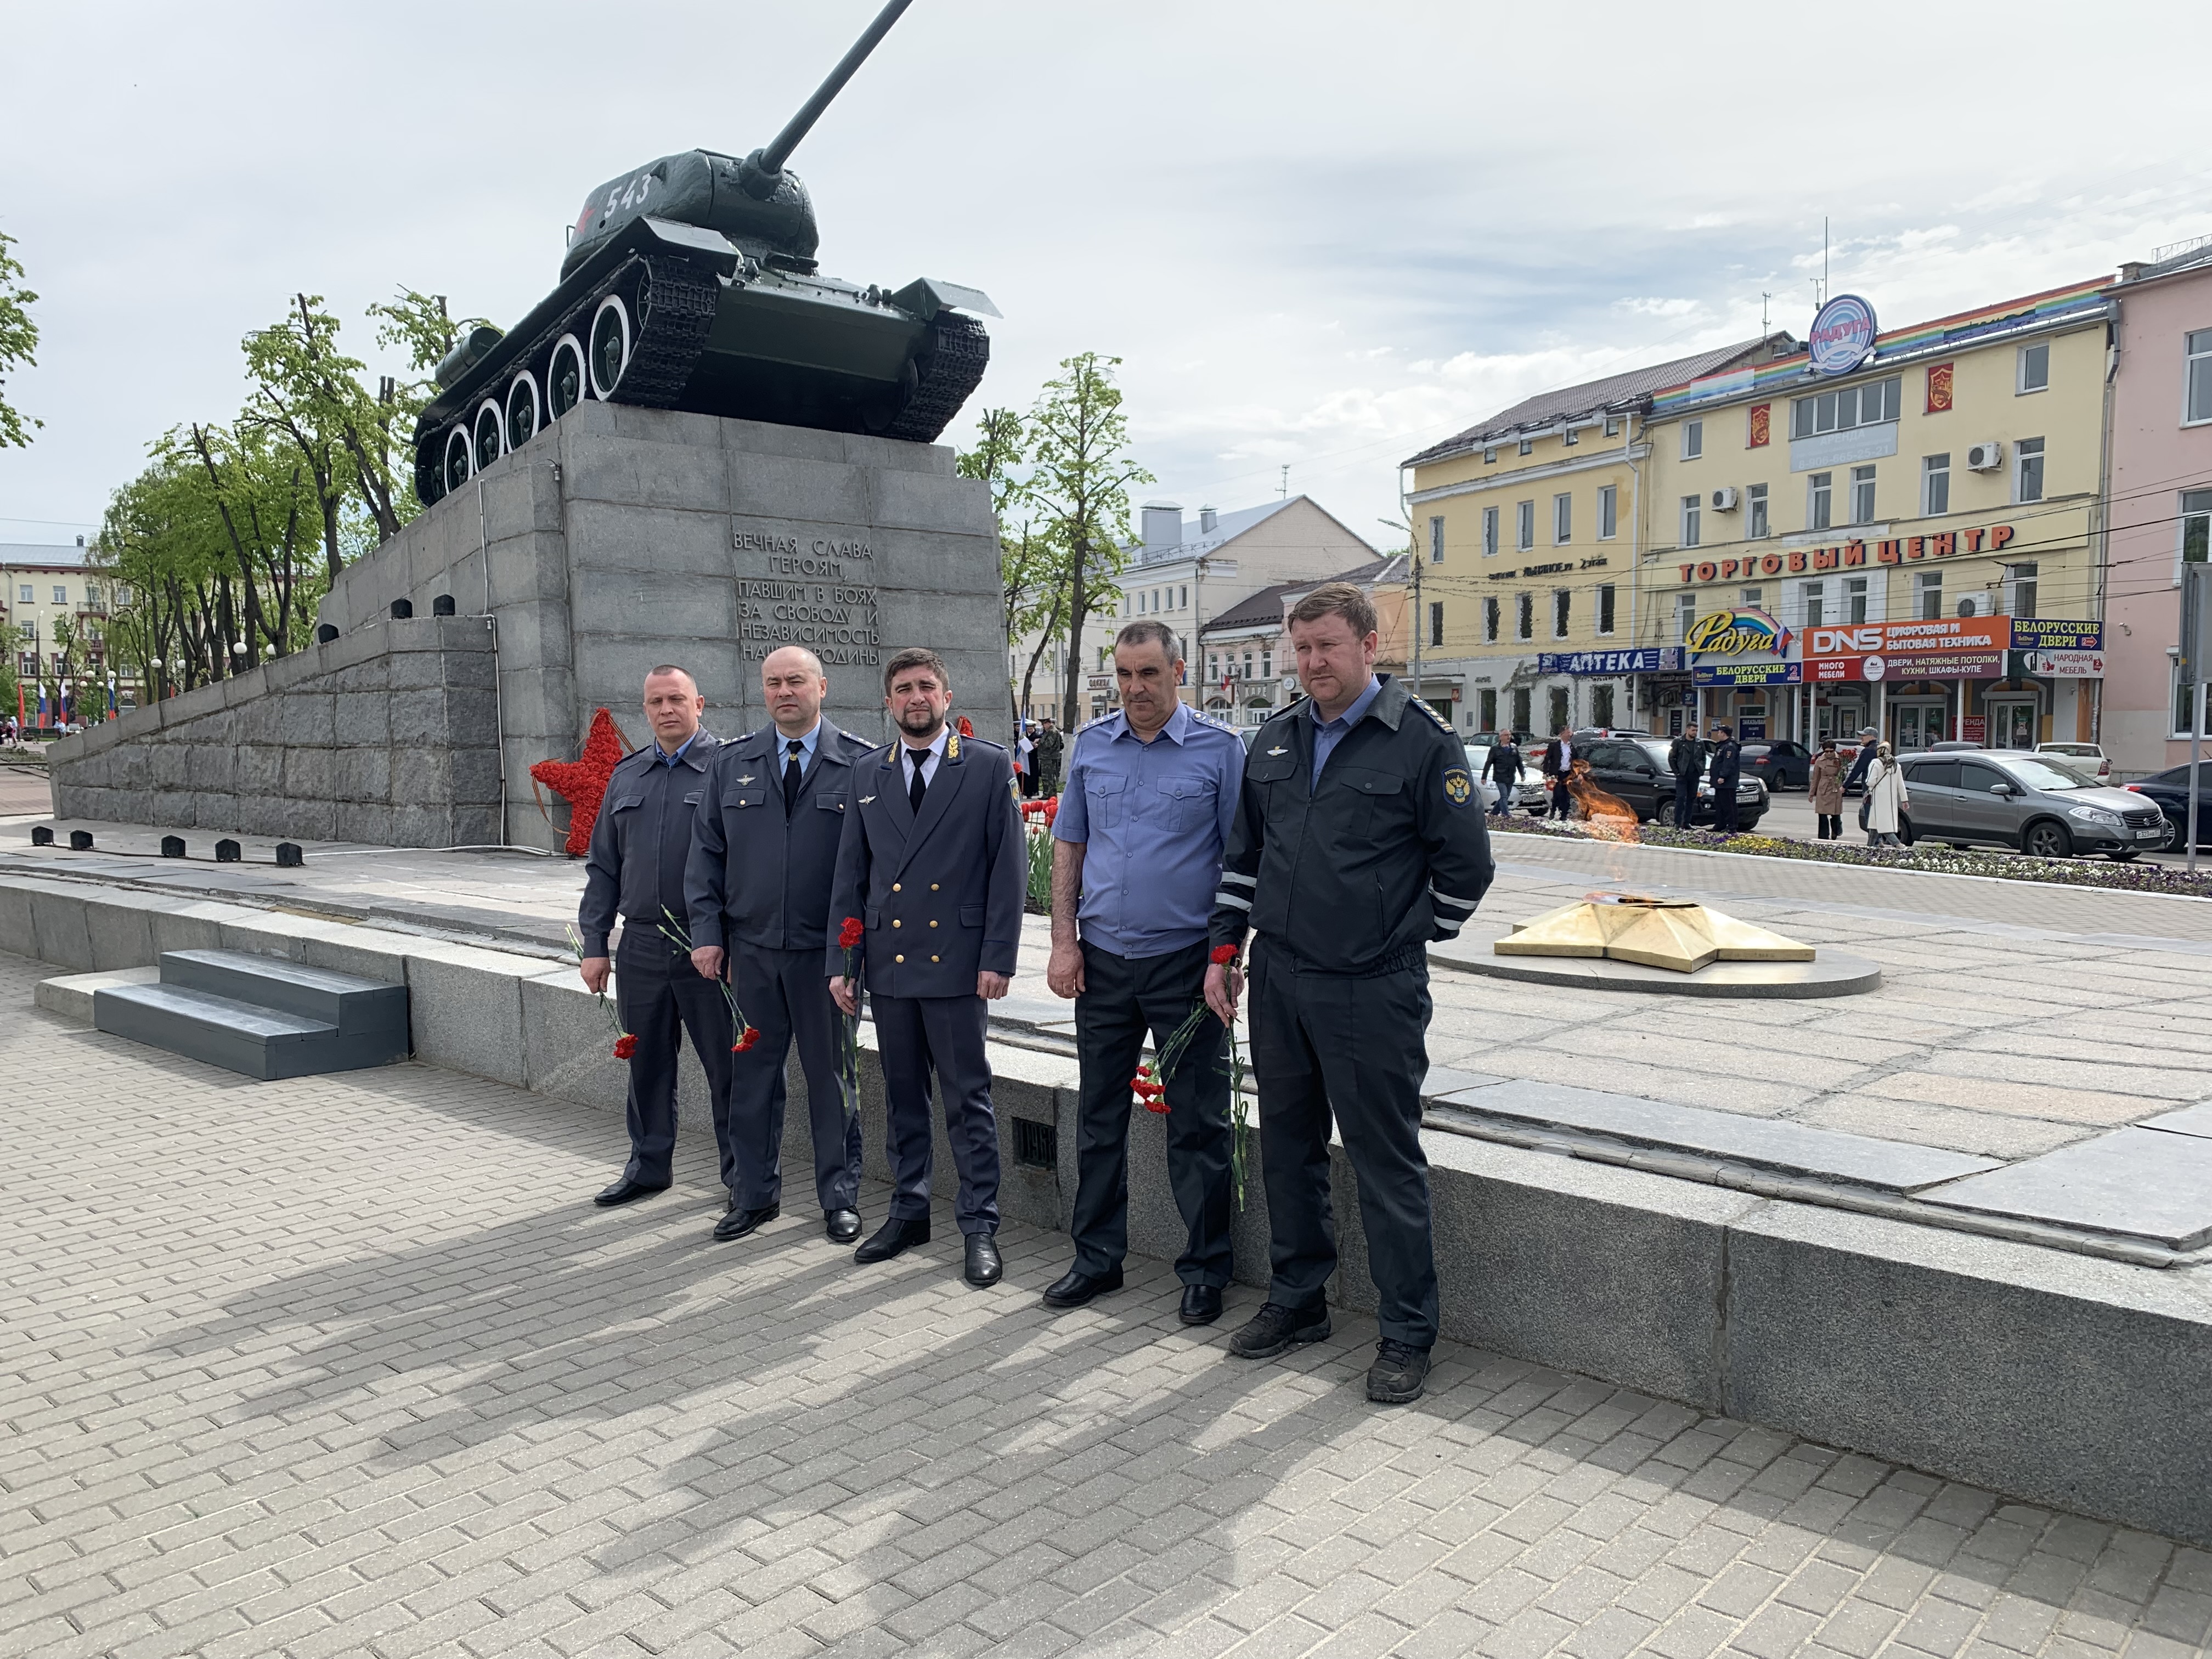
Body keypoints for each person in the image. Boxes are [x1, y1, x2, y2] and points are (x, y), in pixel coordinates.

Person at [1205, 582, 1496, 1407]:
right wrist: (1224, 952)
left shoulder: (1420, 743)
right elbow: (1242, 860)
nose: (1311, 664)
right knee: (1287, 1149)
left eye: (1326, 647)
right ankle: (1299, 1302)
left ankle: (1408, 1332)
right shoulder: (1274, 740)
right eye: (1300, 650)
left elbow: (1467, 872)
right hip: (1284, 984)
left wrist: (1398, 937)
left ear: (1369, 647)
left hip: (1373, 991)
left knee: (1384, 1162)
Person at [1043, 620, 1245, 1324]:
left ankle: (1205, 1269)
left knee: (1198, 1123)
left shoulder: (1221, 752)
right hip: (1101, 964)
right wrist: (1062, 942)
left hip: (1185, 968)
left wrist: (1227, 957)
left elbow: (1237, 863)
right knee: (1098, 1118)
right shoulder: (1093, 746)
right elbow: (1068, 846)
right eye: (1124, 675)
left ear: (1177, 672)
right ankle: (1096, 1260)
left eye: (1149, 674)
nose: (1134, 689)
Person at [828, 647, 1026, 1288]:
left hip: (959, 965)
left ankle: (980, 1226)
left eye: (926, 687)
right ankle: (910, 1212)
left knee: (967, 1101)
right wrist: (844, 961)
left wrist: (998, 957)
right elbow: (851, 879)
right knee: (903, 1097)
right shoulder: (867, 773)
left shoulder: (988, 766)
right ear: (888, 703)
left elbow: (1008, 872)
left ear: (946, 697)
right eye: (903, 689)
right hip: (889, 965)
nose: (916, 698)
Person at [684, 645, 867, 1246]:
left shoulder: (861, 765)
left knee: (831, 1080)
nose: (784, 692)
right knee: (751, 1080)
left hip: (825, 959)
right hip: (751, 957)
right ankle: (754, 1195)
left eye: (795, 681)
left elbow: (873, 868)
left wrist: (852, 957)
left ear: (822, 686)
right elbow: (705, 858)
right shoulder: (732, 763)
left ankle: (839, 1199)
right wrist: (708, 937)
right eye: (773, 684)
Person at [575, 667, 732, 1209]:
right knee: (645, 1062)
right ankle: (647, 1167)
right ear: (645, 710)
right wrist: (596, 943)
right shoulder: (628, 775)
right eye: (656, 701)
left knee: (727, 1066)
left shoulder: (729, 769)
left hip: (710, 949)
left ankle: (744, 1177)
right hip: (640, 947)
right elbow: (604, 867)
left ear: (700, 703)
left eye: (677, 699)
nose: (667, 709)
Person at [1864, 741, 1910, 848]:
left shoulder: (1875, 763)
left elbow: (1870, 781)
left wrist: (1867, 784)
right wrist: (1904, 800)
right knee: (1876, 822)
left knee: (1881, 823)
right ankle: (1870, 845)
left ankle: (1897, 844)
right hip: (1891, 799)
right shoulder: (1896, 765)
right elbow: (1901, 784)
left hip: (1878, 798)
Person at [1667, 723, 1703, 830]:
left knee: (1691, 799)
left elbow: (1703, 757)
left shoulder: (1699, 743)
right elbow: (1671, 758)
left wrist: (1700, 769)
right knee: (1681, 798)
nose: (1695, 732)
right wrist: (1677, 772)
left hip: (1694, 775)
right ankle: (1678, 823)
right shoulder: (1678, 742)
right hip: (1682, 775)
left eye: (1696, 730)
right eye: (1693, 730)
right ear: (1687, 730)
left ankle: (1687, 823)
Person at [1708, 724, 1742, 833]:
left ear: (1723, 733)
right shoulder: (1724, 745)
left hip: (1727, 782)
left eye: (1720, 732)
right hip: (1720, 782)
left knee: (1729, 805)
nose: (1718, 734)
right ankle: (1720, 824)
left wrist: (1723, 776)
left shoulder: (1730, 747)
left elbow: (1729, 764)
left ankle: (1732, 826)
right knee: (1720, 804)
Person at [1809, 738, 1845, 840]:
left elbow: (1843, 775)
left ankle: (1836, 830)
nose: (1829, 753)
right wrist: (1811, 794)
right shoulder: (1820, 760)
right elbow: (1815, 778)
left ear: (1834, 750)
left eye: (1831, 751)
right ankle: (1823, 836)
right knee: (1822, 814)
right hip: (1823, 788)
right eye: (1826, 751)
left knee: (1836, 812)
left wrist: (1843, 773)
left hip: (1835, 787)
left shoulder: (1840, 759)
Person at [1482, 731, 1522, 816]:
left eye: (1509, 735)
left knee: (1506, 796)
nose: (1509, 737)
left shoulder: (1514, 748)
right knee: (1504, 796)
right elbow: (1488, 763)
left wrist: (1522, 774)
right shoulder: (1495, 748)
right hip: (1500, 776)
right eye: (1506, 735)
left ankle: (1494, 813)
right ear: (1500, 737)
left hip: (1510, 776)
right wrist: (1484, 777)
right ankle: (1506, 814)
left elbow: (1519, 762)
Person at [1540, 725, 1576, 821]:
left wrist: (1578, 773)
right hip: (1557, 774)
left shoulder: (1572, 747)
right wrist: (1546, 772)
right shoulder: (1554, 746)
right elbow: (1548, 759)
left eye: (1570, 732)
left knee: (1566, 795)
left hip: (1568, 774)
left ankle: (1564, 815)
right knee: (1558, 794)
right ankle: (1553, 809)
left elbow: (1576, 760)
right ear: (1562, 734)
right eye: (1568, 732)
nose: (1570, 734)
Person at [1842, 725, 1881, 793]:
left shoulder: (1868, 751)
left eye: (1864, 735)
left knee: (1868, 803)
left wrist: (1845, 786)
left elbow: (1857, 770)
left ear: (1871, 737)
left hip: (1869, 788)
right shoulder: (1880, 749)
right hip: (1880, 786)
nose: (1861, 737)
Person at [1035, 716, 1065, 798]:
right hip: (1047, 757)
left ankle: (1049, 794)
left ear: (1048, 723)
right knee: (1048, 776)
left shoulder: (1053, 732)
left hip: (1049, 757)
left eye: (1044, 724)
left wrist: (1039, 741)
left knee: (1049, 777)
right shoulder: (1049, 732)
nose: (1043, 726)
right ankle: (1049, 793)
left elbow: (1048, 744)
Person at [1015, 720, 1040, 798]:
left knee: (1032, 775)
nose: (1030, 730)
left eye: (1031, 729)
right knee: (1024, 775)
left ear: (1034, 728)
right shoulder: (1023, 736)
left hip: (1033, 758)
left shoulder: (1036, 736)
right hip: (1024, 758)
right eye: (1028, 729)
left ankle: (1032, 791)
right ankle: (1024, 791)